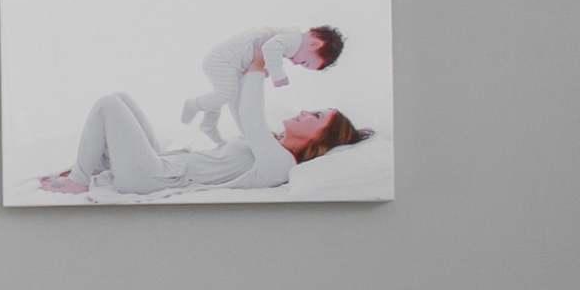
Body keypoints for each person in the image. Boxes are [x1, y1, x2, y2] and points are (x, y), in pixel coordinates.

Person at [40, 71, 371, 199]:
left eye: (315, 116)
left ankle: (80, 180)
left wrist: (257, 66)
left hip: (159, 180)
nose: (305, 111)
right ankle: (89, 169)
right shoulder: (272, 144)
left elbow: (250, 114)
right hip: (164, 166)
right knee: (122, 99)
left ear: (319, 139)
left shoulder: (280, 163)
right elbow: (242, 110)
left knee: (109, 104)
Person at [181, 23, 341, 135]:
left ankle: (210, 125)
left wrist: (260, 68)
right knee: (228, 95)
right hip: (223, 60)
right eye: (305, 62)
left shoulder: (288, 38)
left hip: (232, 63)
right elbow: (270, 47)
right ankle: (193, 104)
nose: (297, 63)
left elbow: (260, 48)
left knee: (233, 99)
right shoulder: (293, 39)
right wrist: (278, 74)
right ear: (315, 44)